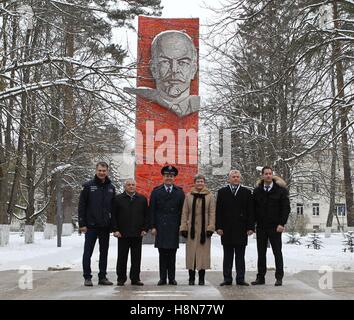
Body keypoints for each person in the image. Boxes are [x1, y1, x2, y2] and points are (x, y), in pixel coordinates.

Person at [125, 30, 200, 117]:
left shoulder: (205, 104)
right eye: (165, 62)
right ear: (153, 69)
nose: (174, 70)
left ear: (193, 70)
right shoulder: (141, 96)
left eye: (182, 62)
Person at [251, 166, 290, 286]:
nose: (268, 175)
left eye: (270, 173)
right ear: (262, 175)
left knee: (277, 252)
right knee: (261, 253)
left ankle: (279, 277)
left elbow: (286, 209)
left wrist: (281, 224)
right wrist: (253, 225)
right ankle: (260, 277)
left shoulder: (281, 190)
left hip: (275, 226)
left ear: (272, 175)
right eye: (266, 173)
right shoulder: (257, 191)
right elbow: (253, 209)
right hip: (261, 227)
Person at [78, 162, 115, 286]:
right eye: (100, 170)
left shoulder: (111, 187)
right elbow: (81, 206)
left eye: (104, 170)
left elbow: (113, 208)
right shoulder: (88, 186)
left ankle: (102, 277)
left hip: (105, 227)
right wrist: (82, 224)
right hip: (91, 226)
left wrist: (113, 225)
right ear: (96, 170)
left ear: (107, 171)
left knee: (104, 253)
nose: (102, 173)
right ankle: (87, 277)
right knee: (87, 252)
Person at [215, 170, 255, 286]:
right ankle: (227, 278)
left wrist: (250, 227)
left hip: (241, 229)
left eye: (237, 177)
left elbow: (250, 211)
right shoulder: (222, 192)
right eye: (233, 177)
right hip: (226, 229)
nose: (236, 179)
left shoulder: (246, 192)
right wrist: (218, 227)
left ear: (240, 179)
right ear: (229, 179)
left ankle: (240, 278)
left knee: (240, 256)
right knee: (227, 256)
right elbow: (219, 211)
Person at [150, 165, 185, 285]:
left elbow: (183, 212)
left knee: (172, 254)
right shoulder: (156, 191)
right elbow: (152, 211)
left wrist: (182, 226)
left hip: (174, 227)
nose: (169, 178)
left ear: (174, 178)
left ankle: (172, 278)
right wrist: (153, 226)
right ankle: (162, 278)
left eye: (171, 176)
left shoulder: (179, 192)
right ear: (163, 177)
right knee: (162, 254)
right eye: (166, 176)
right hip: (160, 227)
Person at [111, 179, 149, 286]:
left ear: (135, 186)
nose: (131, 186)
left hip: (137, 234)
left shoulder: (142, 199)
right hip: (122, 234)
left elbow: (147, 215)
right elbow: (113, 216)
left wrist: (145, 229)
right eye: (129, 185)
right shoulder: (118, 199)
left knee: (136, 258)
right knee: (122, 257)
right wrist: (115, 230)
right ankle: (121, 278)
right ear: (125, 186)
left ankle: (135, 278)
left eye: (133, 185)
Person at [180, 174, 215, 285]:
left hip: (204, 229)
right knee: (191, 254)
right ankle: (191, 278)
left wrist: (211, 227)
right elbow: (185, 212)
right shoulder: (189, 195)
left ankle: (201, 278)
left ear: (204, 183)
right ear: (194, 183)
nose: (200, 183)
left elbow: (212, 213)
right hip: (191, 228)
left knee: (202, 254)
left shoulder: (209, 196)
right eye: (198, 181)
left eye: (201, 181)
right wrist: (184, 227)